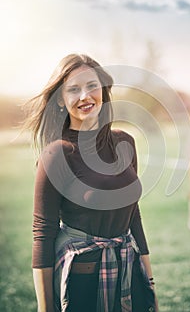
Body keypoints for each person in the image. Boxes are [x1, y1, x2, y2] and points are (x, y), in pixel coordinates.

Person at [26, 53, 158, 312]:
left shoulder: (125, 142)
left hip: (129, 273)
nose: (85, 96)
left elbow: (134, 217)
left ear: (103, 90)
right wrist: (45, 309)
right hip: (82, 283)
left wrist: (150, 285)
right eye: (73, 90)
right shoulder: (56, 155)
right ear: (61, 101)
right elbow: (43, 233)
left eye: (91, 86)